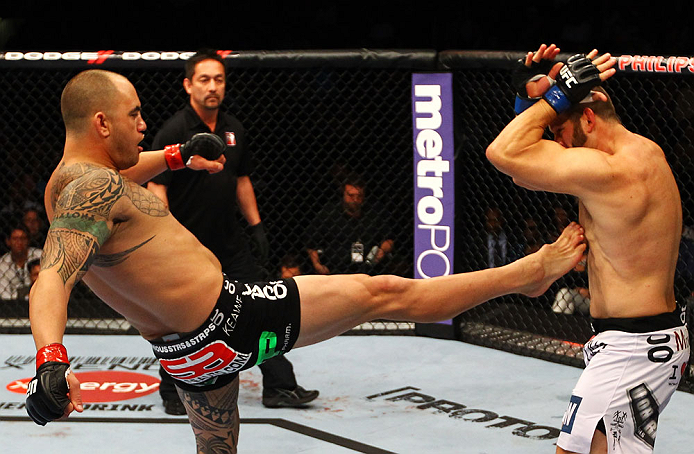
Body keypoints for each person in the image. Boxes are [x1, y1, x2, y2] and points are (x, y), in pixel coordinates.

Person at [25, 68, 587, 454]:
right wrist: (51, 360)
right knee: (383, 293)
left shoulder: (71, 183)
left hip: (183, 350)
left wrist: (175, 156)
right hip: (231, 316)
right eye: (133, 114)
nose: (143, 123)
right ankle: (530, 275)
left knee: (216, 449)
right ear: (102, 123)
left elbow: (119, 179)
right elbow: (51, 277)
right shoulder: (86, 191)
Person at [486, 43, 690, 454]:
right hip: (646, 340)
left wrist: (555, 95)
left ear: (589, 119)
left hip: (633, 346)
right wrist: (533, 91)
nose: (557, 144)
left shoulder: (610, 171)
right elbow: (523, 175)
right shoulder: (642, 152)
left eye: (559, 133)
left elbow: (504, 154)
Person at [146, 49, 317, 414]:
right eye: (204, 79)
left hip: (229, 240)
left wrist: (256, 227)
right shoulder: (175, 131)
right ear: (188, 85)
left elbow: (241, 180)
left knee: (263, 308)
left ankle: (279, 385)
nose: (212, 87)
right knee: (179, 319)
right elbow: (156, 186)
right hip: (186, 243)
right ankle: (172, 392)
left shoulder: (234, 128)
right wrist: (164, 238)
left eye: (218, 80)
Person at [305, 175, 394, 275]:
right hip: (336, 271)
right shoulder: (329, 213)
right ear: (343, 194)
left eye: (359, 196)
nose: (355, 199)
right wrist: (317, 265)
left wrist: (382, 250)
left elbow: (389, 239)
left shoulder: (374, 212)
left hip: (369, 271)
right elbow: (311, 243)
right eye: (351, 195)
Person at [0, 226, 41, 301]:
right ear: (8, 242)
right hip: (12, 305)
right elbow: (4, 294)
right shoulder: (2, 264)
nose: (19, 242)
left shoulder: (40, 255)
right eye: (15, 239)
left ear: (28, 241)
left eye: (23, 239)